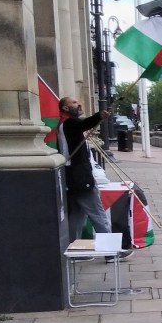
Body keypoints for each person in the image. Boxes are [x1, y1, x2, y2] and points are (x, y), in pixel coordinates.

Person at [58, 97, 125, 258]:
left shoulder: (64, 125)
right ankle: (110, 253)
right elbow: (84, 123)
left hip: (71, 178)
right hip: (81, 178)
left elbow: (83, 126)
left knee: (76, 217)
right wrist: (99, 116)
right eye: (74, 103)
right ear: (66, 108)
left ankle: (75, 251)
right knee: (98, 214)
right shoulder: (70, 123)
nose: (79, 103)